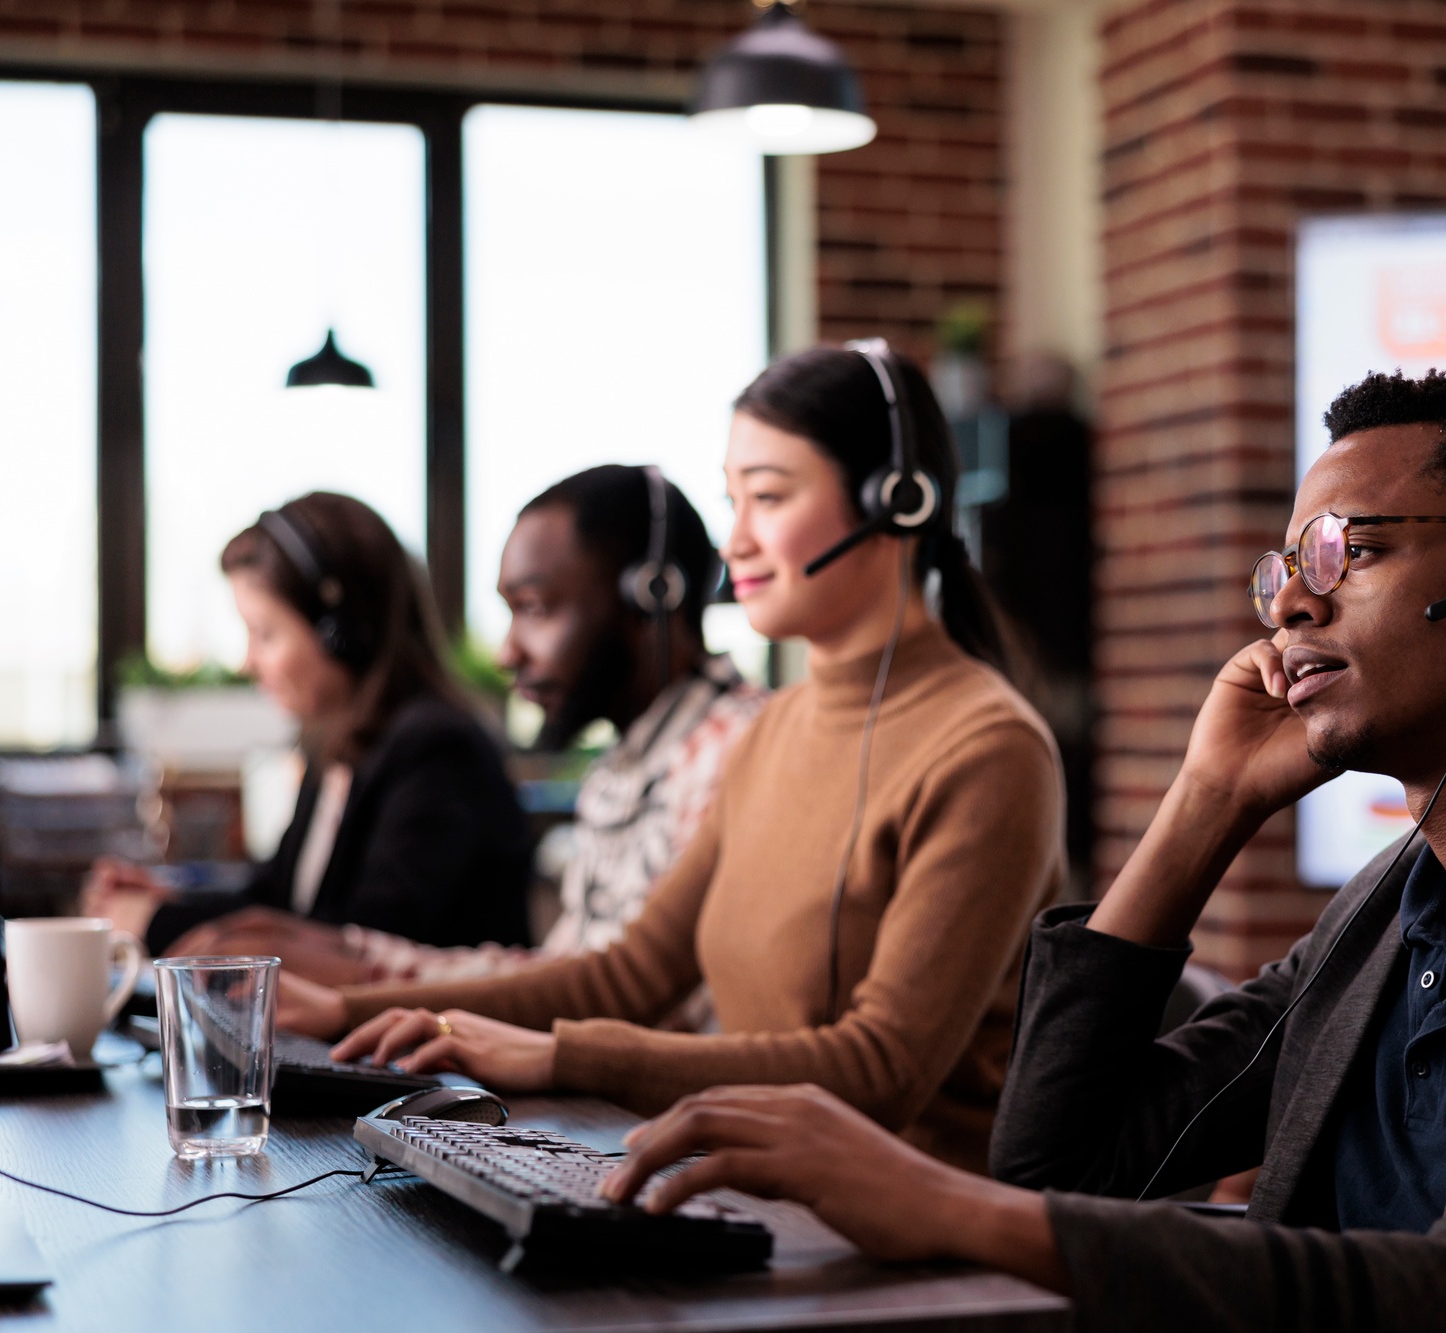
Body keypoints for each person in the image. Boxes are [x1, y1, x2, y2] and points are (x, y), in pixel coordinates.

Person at [595, 369, 1446, 1331]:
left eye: (1350, 553)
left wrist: (950, 1205)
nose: (1291, 604)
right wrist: (1203, 801)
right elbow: (1065, 1164)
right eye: (1284, 570)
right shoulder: (1386, 918)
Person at [280, 343, 1067, 1172]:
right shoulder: (775, 730)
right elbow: (629, 974)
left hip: (907, 1235)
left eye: (768, 497)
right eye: (734, 501)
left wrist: (560, 1057)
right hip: (752, 1183)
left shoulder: (988, 748)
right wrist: (345, 1007)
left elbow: (881, 1070)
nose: (736, 543)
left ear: (895, 500)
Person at [168, 466, 768, 992]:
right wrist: (353, 966)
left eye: (534, 608)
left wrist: (363, 976)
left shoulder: (737, 753)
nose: (507, 653)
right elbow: (568, 976)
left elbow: (610, 996)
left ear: (653, 595)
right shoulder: (624, 768)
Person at [83, 492, 533, 957]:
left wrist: (156, 924)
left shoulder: (438, 751)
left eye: (265, 634)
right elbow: (279, 900)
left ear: (341, 631)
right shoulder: (337, 747)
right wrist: (168, 899)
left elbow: (365, 941)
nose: (247, 661)